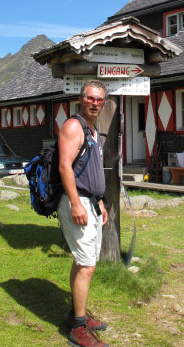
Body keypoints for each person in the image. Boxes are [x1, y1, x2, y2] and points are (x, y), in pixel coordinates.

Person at [57, 80, 109, 347]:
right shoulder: (73, 126)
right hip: (76, 202)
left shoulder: (93, 130)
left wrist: (99, 202)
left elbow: (91, 170)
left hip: (91, 203)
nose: (95, 103)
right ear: (81, 99)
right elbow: (65, 167)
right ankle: (78, 328)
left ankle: (77, 313)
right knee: (87, 266)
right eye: (91, 98)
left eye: (99, 99)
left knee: (82, 262)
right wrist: (76, 204)